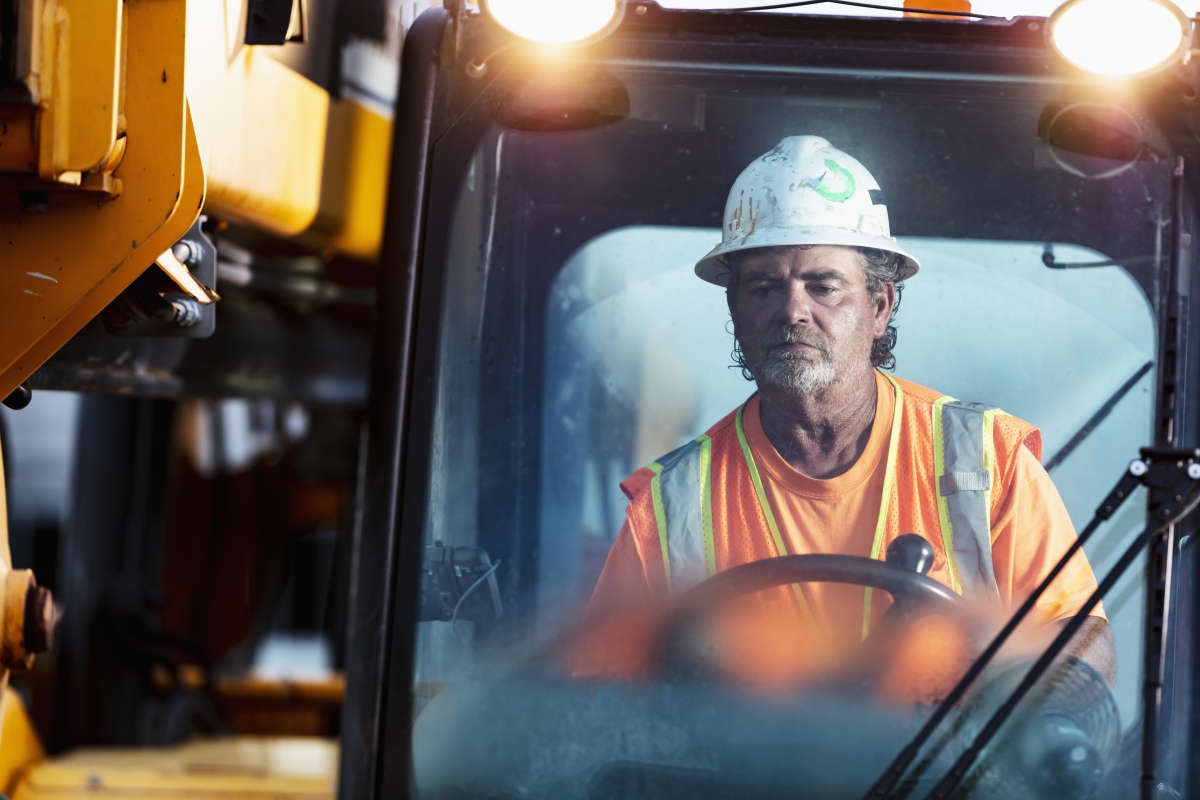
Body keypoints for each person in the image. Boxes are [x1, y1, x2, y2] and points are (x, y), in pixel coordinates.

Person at [588, 135, 1115, 684]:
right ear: (735, 310)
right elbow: (598, 693)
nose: (793, 310)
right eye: (765, 288)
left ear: (881, 306)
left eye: (823, 287)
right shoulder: (668, 508)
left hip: (944, 771)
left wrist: (1013, 672)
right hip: (740, 772)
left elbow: (1083, 642)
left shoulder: (988, 464)